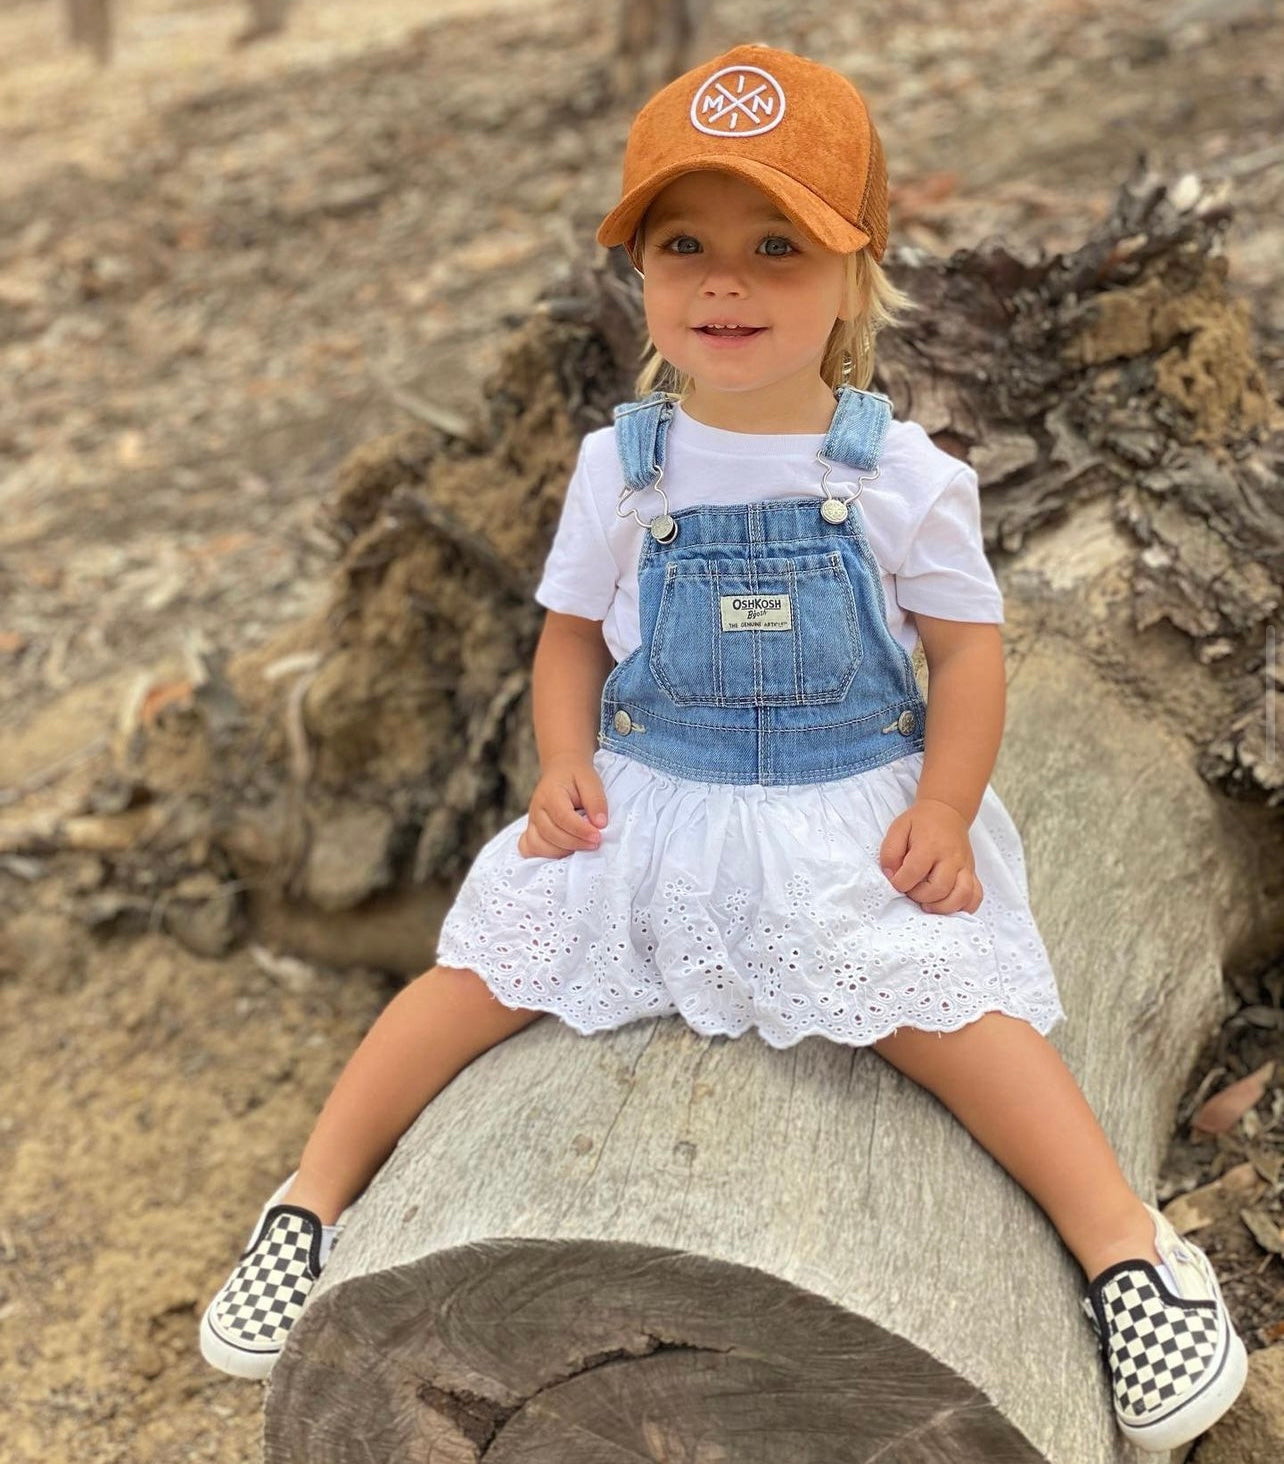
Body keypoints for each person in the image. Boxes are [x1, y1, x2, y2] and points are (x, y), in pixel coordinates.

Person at [199, 41, 1247, 1451]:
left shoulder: (899, 474)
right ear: (638, 269)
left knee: (952, 1020)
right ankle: (308, 1205)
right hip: (654, 795)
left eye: (777, 246)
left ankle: (1129, 1256)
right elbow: (572, 635)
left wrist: (944, 806)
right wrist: (563, 759)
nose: (727, 282)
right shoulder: (620, 467)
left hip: (838, 801)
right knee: (474, 982)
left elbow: (968, 654)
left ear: (857, 270)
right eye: (682, 242)